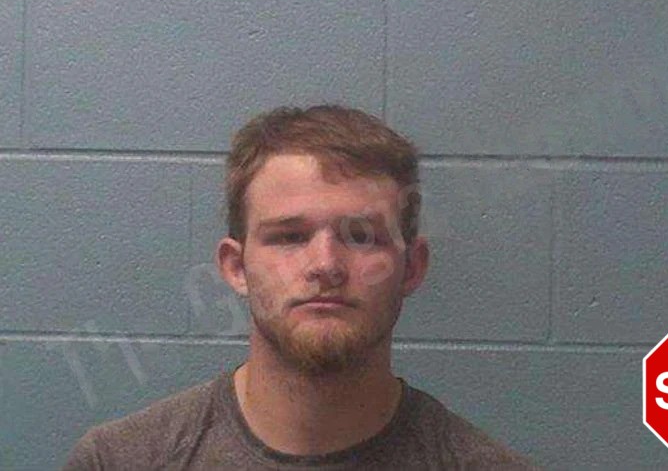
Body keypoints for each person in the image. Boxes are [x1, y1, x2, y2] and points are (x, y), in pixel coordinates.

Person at [64, 105, 538, 470]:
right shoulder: (119, 462)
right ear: (236, 267)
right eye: (289, 237)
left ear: (411, 268)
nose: (325, 265)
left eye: (362, 237)